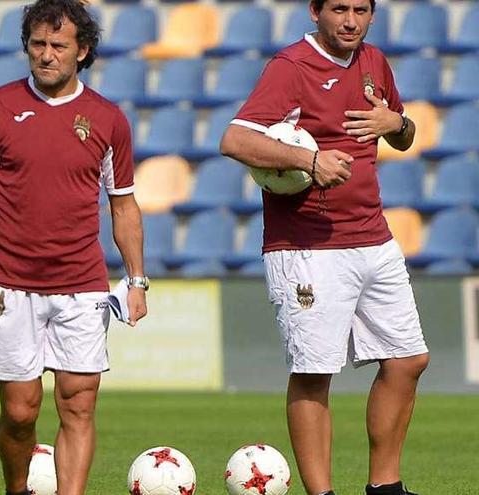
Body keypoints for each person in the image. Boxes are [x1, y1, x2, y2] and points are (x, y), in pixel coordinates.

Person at [220, 1, 429, 494]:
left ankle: (385, 486)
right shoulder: (290, 67)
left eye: (360, 9)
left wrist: (395, 125)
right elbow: (233, 140)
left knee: (407, 359)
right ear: (315, 11)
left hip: (373, 237)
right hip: (307, 246)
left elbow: (403, 134)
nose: (350, 20)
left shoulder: (375, 62)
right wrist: (308, 160)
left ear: (373, 15)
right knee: (314, 372)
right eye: (338, 8)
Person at [0, 1, 147, 493]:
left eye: (59, 45)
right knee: (19, 412)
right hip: (11, 284)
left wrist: (136, 280)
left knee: (78, 402)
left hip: (82, 286)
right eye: (38, 44)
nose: (46, 55)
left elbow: (123, 206)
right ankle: (18, 487)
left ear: (83, 51)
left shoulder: (107, 119)